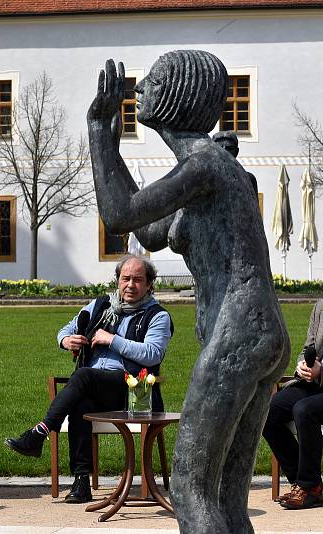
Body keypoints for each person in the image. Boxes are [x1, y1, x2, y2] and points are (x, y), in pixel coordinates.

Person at [87, 51, 289, 533]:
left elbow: (118, 216)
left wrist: (98, 130)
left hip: (238, 332)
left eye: (152, 82)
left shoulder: (204, 165)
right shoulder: (210, 169)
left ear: (177, 95)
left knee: (191, 487)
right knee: (225, 494)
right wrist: (112, 149)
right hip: (260, 334)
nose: (139, 91)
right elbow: (149, 230)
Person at [4, 255, 172, 503]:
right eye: (125, 279)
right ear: (117, 280)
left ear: (149, 285)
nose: (130, 285)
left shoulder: (158, 316)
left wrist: (111, 339)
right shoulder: (100, 305)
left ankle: (39, 433)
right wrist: (65, 341)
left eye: (138, 280)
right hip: (94, 387)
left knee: (82, 376)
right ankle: (81, 482)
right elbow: (65, 329)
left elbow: (152, 354)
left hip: (132, 391)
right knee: (80, 406)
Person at [263, 300, 323, 509]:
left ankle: (309, 487)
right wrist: (303, 366)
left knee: (304, 410)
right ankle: (304, 483)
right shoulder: (320, 307)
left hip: (319, 381)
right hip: (313, 384)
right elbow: (309, 348)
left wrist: (321, 370)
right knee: (267, 412)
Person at [212, 130, 259, 196]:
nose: (225, 152)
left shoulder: (249, 179)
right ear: (212, 151)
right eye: (220, 148)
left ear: (236, 152)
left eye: (230, 148)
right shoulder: (204, 179)